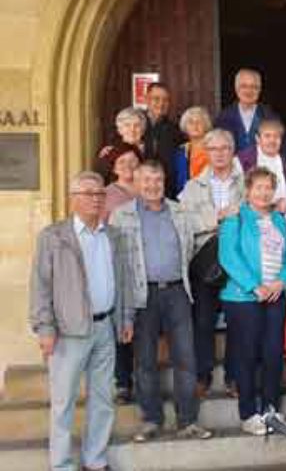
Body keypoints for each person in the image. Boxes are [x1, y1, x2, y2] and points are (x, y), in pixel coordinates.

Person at [30, 170, 133, 471]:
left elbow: (122, 281)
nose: (96, 199)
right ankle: (61, 465)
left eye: (100, 193)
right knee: (63, 403)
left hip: (105, 328)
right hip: (67, 332)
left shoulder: (113, 235)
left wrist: (125, 317)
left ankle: (95, 460)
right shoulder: (54, 236)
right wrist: (44, 328)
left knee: (103, 400)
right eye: (88, 194)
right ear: (73, 199)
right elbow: (40, 285)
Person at [110, 161, 212, 442]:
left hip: (178, 291)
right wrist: (124, 312)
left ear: (164, 181)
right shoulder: (122, 216)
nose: (152, 186)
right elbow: (118, 264)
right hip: (142, 294)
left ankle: (188, 420)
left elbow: (193, 243)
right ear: (137, 182)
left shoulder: (180, 211)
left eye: (157, 180)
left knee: (186, 358)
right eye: (146, 180)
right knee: (144, 361)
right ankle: (151, 420)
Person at [218, 168, 286, 435]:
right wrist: (255, 286)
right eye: (258, 187)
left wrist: (281, 281)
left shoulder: (280, 219)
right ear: (248, 190)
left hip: (275, 295)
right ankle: (248, 413)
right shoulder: (235, 218)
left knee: (273, 354)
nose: (264, 192)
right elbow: (228, 256)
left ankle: (271, 409)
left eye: (268, 188)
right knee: (246, 355)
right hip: (243, 298)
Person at [178, 129, 245, 396]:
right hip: (205, 261)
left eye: (225, 148)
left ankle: (235, 376)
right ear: (206, 152)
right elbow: (184, 221)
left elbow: (254, 212)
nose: (219, 154)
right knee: (203, 321)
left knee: (237, 319)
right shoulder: (193, 186)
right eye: (214, 149)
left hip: (237, 260)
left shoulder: (245, 183)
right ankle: (202, 375)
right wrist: (217, 216)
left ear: (233, 151)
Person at [101, 144, 143, 404]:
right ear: (114, 167)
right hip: (120, 266)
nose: (128, 166)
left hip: (147, 267)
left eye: (132, 161)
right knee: (123, 324)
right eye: (122, 162)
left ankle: (144, 379)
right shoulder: (107, 194)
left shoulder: (148, 188)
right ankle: (123, 382)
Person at [215, 68, 281, 153]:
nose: (249, 91)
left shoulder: (271, 117)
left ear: (260, 90)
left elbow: (281, 149)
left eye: (254, 87)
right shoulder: (223, 118)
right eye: (244, 86)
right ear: (236, 89)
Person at [238, 119, 286, 213]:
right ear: (257, 139)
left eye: (276, 137)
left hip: (280, 217)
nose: (272, 140)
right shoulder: (244, 160)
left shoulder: (284, 163)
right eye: (267, 136)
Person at [142, 82, 182, 198]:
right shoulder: (135, 124)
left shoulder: (175, 130)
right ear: (146, 100)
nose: (161, 103)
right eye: (156, 99)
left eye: (166, 100)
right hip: (140, 189)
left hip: (166, 191)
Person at [95, 107, 147, 181]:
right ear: (119, 130)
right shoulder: (109, 152)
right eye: (127, 125)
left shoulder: (152, 151)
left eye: (137, 125)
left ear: (143, 129)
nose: (132, 129)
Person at [173, 106, 213, 194]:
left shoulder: (214, 149)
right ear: (185, 127)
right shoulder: (181, 152)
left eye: (199, 122)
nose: (195, 126)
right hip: (186, 200)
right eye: (191, 122)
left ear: (206, 125)